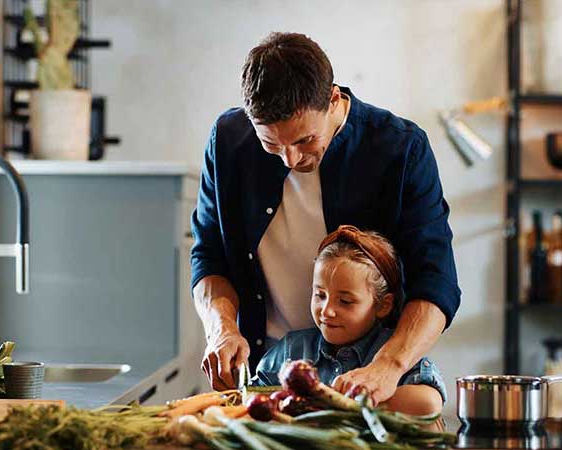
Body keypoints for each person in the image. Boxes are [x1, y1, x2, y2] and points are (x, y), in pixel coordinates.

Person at [191, 31, 461, 404]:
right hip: (267, 375)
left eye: (304, 141)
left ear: (333, 99)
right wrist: (220, 328)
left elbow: (436, 282)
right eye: (271, 145)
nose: (290, 160)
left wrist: (389, 366)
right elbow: (209, 256)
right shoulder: (227, 142)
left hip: (367, 378)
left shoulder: (401, 149)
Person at [253, 225, 446, 416]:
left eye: (345, 301)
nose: (327, 311)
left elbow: (428, 403)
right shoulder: (291, 349)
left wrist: (337, 406)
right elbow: (250, 397)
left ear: (383, 305)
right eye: (320, 295)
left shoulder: (396, 349)